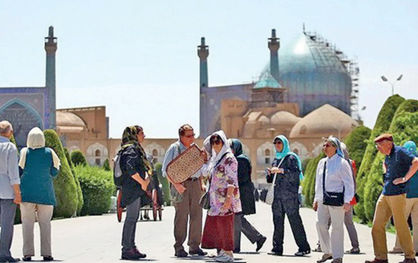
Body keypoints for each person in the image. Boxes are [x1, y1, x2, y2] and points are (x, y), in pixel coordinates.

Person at [365, 134, 418, 263]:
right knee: (377, 225)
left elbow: (416, 162)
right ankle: (381, 257)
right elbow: (387, 168)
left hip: (398, 194)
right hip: (386, 193)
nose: (378, 148)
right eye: (377, 145)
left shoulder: (400, 151)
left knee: (400, 226)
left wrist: (405, 178)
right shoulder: (388, 156)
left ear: (389, 143)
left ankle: (410, 257)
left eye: (380, 145)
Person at [162, 124, 207, 257]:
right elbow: (166, 170)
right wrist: (176, 185)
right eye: (189, 135)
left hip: (195, 185)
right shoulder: (174, 148)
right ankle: (179, 247)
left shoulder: (194, 150)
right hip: (180, 185)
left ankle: (194, 246)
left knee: (197, 215)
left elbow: (198, 169)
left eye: (193, 135)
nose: (192, 137)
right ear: (181, 136)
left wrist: (201, 183)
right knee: (181, 216)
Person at [18, 127, 60, 262]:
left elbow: (19, 171)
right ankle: (47, 254)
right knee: (45, 224)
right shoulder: (50, 152)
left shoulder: (24, 152)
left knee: (27, 224)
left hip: (27, 194)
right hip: (45, 194)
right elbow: (54, 172)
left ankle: (27, 254)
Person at [266, 135, 311, 256]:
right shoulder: (276, 159)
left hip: (290, 197)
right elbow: (271, 180)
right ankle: (277, 248)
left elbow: (295, 175)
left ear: (285, 144)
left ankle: (304, 247)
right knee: (277, 222)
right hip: (278, 197)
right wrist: (270, 173)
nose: (277, 145)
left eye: (279, 142)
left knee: (295, 222)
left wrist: (281, 171)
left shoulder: (291, 158)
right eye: (275, 143)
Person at [201, 131, 241, 262]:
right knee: (218, 225)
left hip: (225, 198)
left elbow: (232, 180)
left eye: (218, 142)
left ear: (223, 142)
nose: (215, 145)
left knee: (225, 225)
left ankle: (228, 253)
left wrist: (228, 199)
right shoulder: (217, 158)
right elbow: (207, 172)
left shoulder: (229, 158)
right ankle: (222, 251)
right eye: (213, 142)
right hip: (215, 199)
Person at [313, 136, 354, 263]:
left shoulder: (342, 163)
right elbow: (318, 182)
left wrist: (347, 201)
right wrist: (316, 198)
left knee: (337, 227)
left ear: (335, 148)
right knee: (320, 224)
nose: (325, 148)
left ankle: (337, 256)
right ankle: (327, 251)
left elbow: (349, 183)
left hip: (337, 200)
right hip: (323, 200)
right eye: (324, 145)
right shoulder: (322, 163)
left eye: (328, 145)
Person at [119, 126, 151, 260]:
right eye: (141, 133)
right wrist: (143, 182)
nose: (144, 135)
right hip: (132, 189)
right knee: (131, 219)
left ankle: (131, 247)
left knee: (133, 218)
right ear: (134, 135)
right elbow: (130, 168)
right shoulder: (131, 149)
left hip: (134, 189)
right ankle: (127, 249)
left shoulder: (132, 148)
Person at [230, 138, 266, 253]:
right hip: (240, 192)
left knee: (236, 218)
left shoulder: (241, 160)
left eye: (231, 147)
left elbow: (240, 178)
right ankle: (258, 238)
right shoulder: (239, 159)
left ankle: (236, 247)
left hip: (242, 193)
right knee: (238, 218)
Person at [390, 141, 418, 255]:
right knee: (417, 223)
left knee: (401, 222)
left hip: (406, 196)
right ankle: (416, 248)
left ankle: (398, 247)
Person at [0, 120, 21, 263]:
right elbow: (13, 173)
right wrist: (17, 193)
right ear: (10, 133)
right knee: (7, 224)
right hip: (7, 191)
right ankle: (4, 254)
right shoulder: (10, 147)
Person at [340, 142, 360, 254]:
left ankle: (322, 244)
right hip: (350, 197)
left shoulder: (339, 163)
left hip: (340, 197)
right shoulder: (351, 162)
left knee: (329, 221)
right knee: (349, 223)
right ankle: (355, 246)